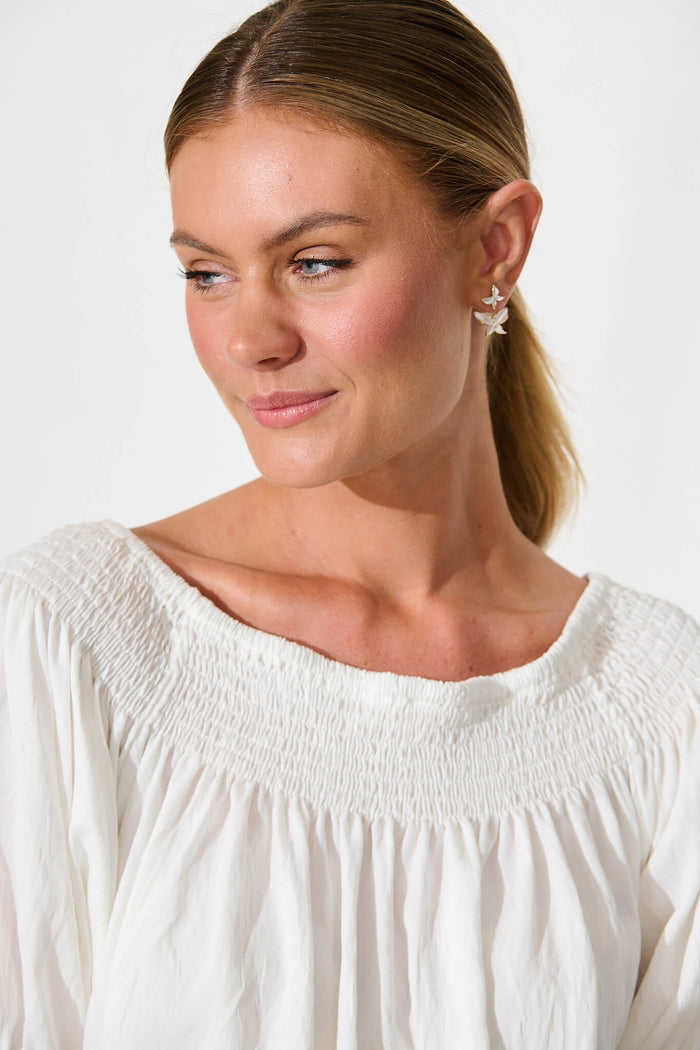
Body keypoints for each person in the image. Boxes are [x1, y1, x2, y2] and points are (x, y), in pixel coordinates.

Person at [1, 0, 698, 1046]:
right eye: (206, 273)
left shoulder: (660, 714)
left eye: (314, 261)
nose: (250, 339)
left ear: (495, 247)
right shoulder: (75, 643)